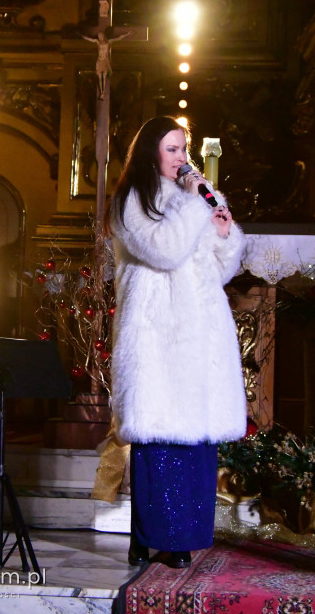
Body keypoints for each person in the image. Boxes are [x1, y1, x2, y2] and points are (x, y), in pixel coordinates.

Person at [106, 116, 246, 569]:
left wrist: (223, 235)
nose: (181, 159)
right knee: (163, 436)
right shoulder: (131, 201)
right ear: (149, 152)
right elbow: (165, 250)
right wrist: (193, 207)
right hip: (158, 333)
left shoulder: (195, 200)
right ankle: (160, 537)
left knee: (196, 439)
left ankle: (189, 533)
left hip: (200, 329)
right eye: (171, 149)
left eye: (182, 149)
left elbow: (215, 269)